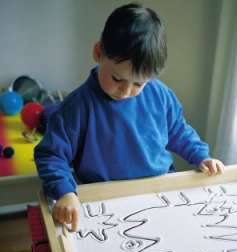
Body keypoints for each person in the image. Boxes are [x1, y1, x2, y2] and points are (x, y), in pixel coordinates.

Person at [34, 3, 224, 232]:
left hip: (159, 192)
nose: (125, 91)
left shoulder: (160, 95)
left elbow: (179, 131)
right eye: (116, 79)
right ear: (98, 53)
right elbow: (51, 154)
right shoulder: (76, 107)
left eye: (138, 84)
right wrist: (65, 192)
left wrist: (201, 156)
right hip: (103, 200)